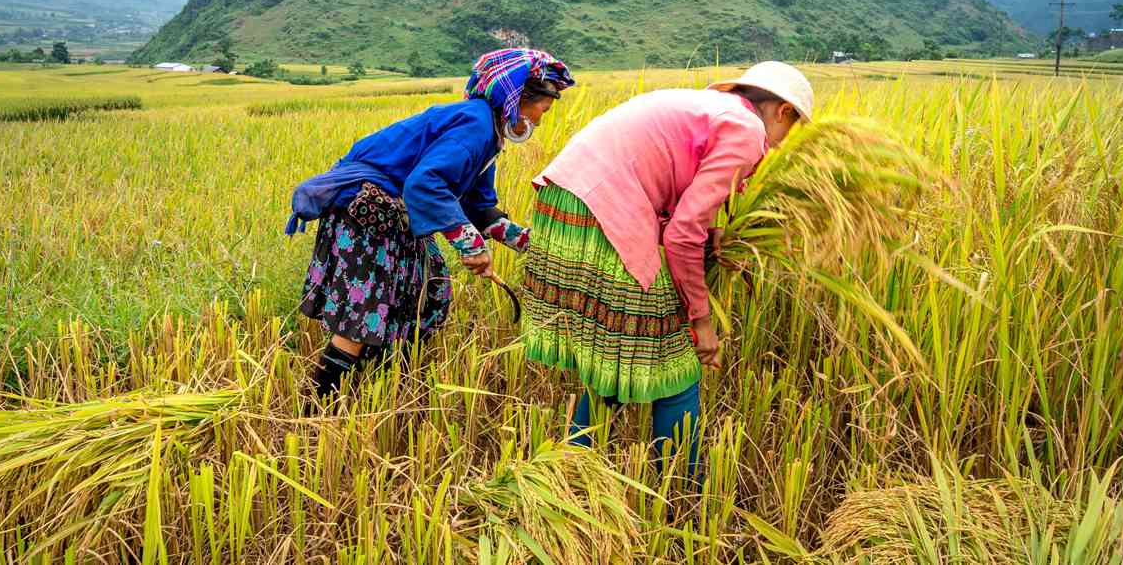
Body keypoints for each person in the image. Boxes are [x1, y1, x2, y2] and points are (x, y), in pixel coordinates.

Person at [520, 61, 813, 477]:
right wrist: (702, 319)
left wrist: (711, 233)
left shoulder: (715, 108)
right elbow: (680, 235)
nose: (784, 145)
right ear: (784, 112)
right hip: (602, 212)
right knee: (673, 358)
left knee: (620, 354)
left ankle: (565, 475)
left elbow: (676, 190)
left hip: (570, 204)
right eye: (793, 131)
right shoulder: (747, 131)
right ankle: (682, 488)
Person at [287, 48, 574, 402]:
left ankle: (375, 381)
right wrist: (469, 244)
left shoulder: (489, 136)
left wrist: (529, 243)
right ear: (517, 99)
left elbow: (478, 205)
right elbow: (425, 184)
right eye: (542, 110)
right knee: (366, 311)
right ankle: (319, 401)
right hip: (368, 211)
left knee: (431, 290)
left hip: (394, 213)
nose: (540, 121)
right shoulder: (475, 124)